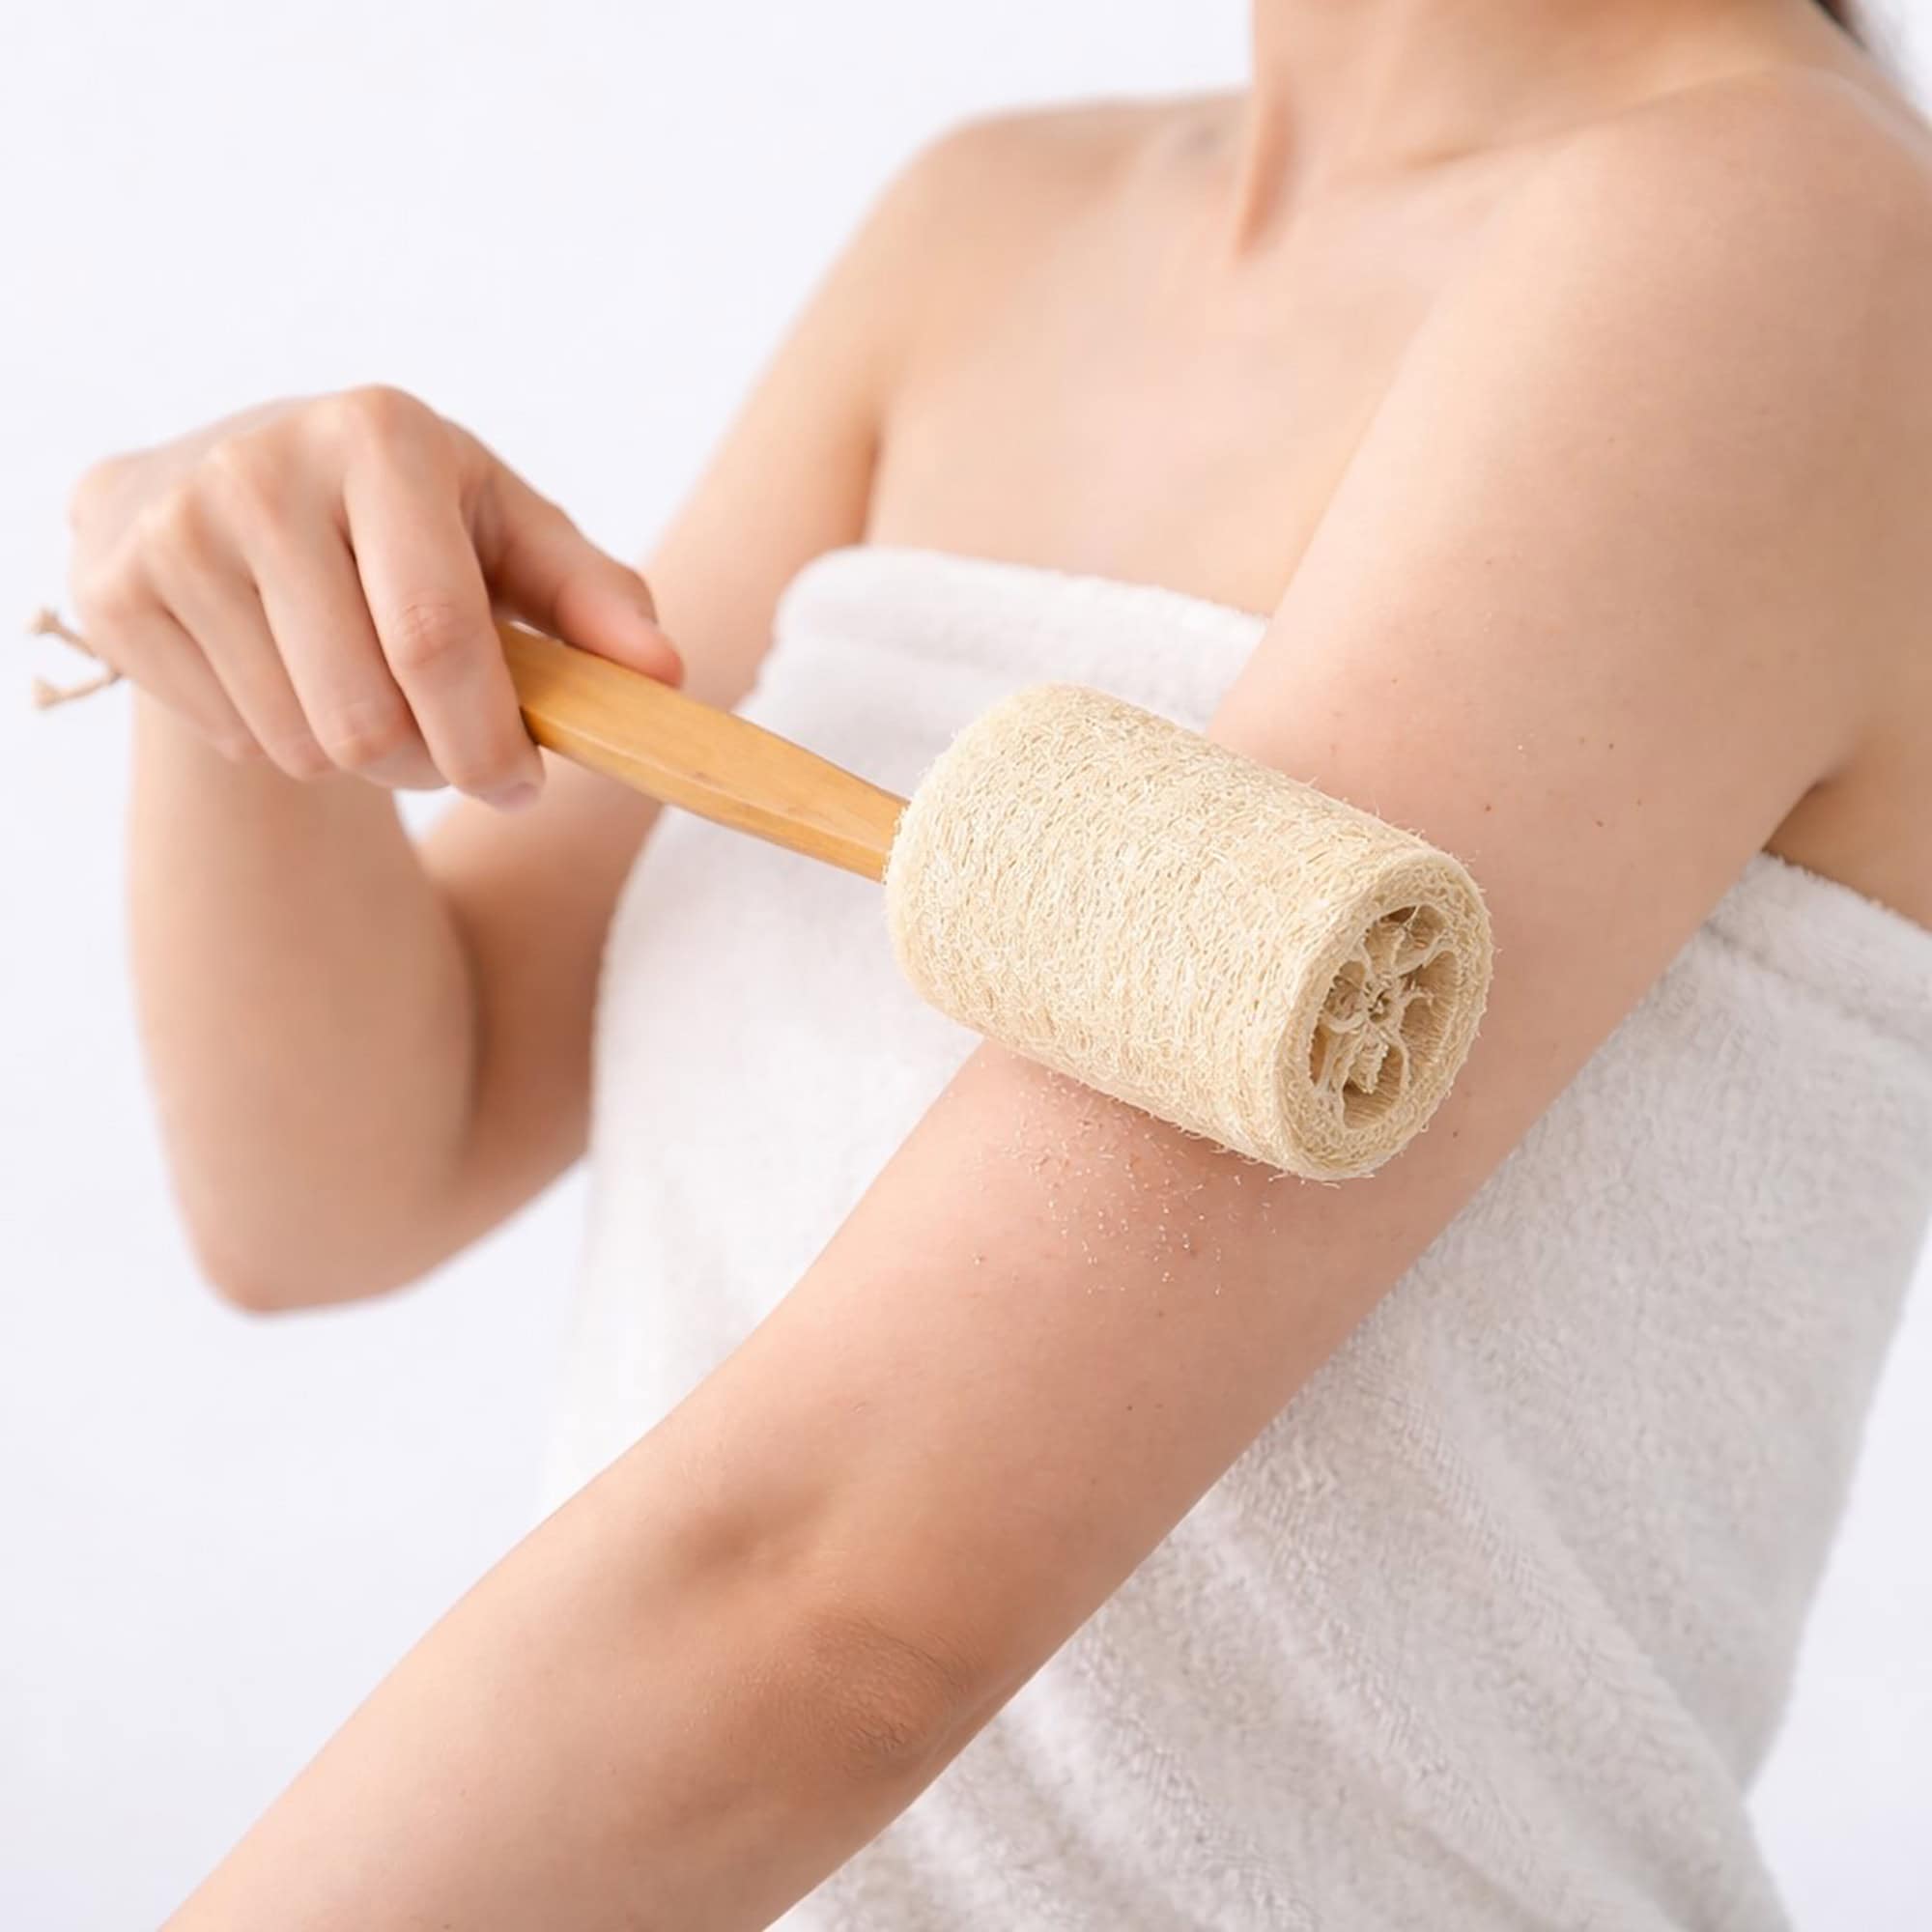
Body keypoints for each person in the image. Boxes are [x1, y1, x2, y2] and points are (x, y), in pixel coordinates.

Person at [55, 0, 1932, 1924]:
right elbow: (349, 1176)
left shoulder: (1784, 263)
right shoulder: (976, 234)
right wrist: (230, 640)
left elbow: (830, 1605)